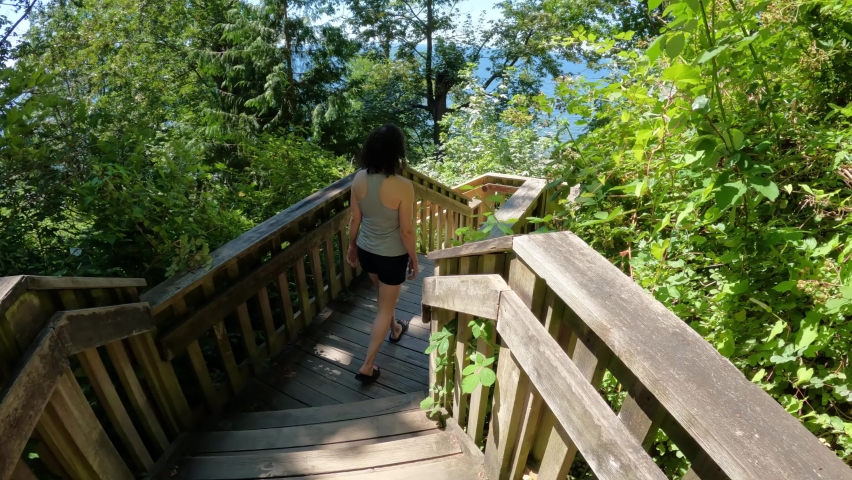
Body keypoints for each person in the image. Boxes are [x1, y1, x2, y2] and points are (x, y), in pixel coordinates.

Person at [346, 124, 419, 383]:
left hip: (367, 251)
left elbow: (355, 218)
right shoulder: (403, 186)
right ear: (396, 153)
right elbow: (407, 231)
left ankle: (396, 329)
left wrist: (352, 246)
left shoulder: (358, 178)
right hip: (392, 256)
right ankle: (367, 366)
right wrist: (413, 257)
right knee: (385, 308)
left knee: (383, 300)